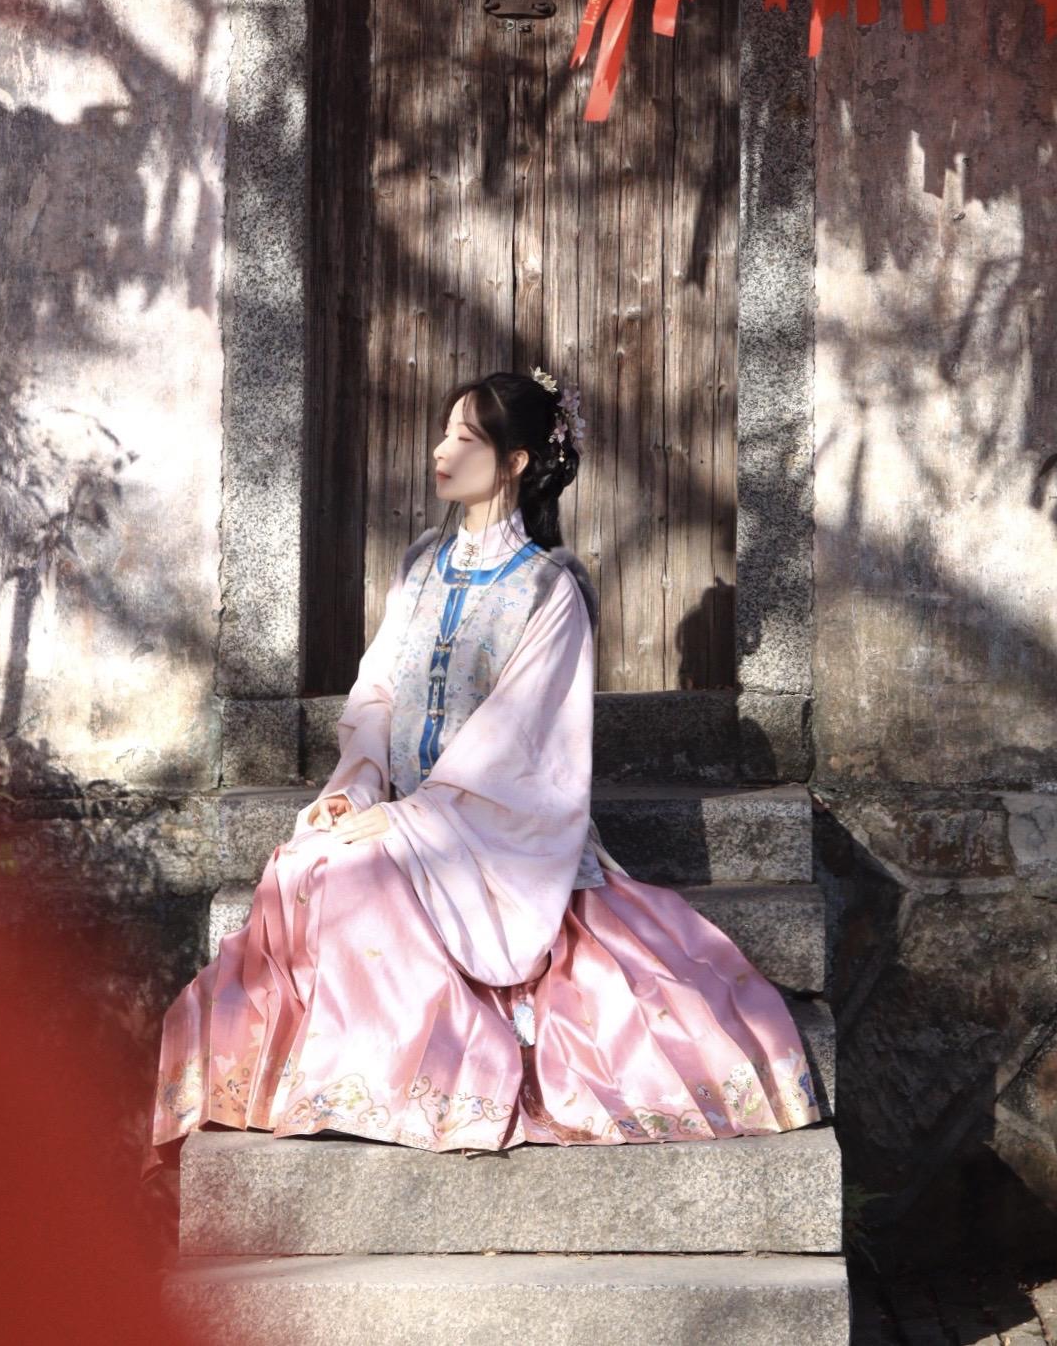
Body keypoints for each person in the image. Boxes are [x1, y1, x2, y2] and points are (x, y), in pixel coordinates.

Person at [148, 368, 818, 1164]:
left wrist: (405, 822)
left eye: (465, 438)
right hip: (402, 810)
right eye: (443, 432)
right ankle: (331, 1079)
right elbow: (379, 689)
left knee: (355, 880)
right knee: (305, 863)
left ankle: (414, 1080)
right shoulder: (420, 566)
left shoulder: (548, 591)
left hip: (495, 834)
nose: (441, 450)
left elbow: (520, 744)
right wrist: (356, 786)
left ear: (515, 462)